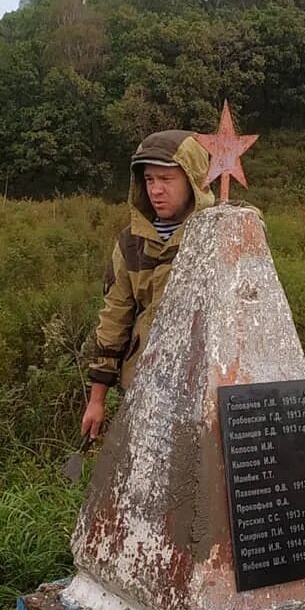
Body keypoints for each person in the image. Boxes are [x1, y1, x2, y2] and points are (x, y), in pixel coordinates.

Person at [80, 129, 214, 439]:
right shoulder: (131, 243)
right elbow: (115, 316)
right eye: (150, 180)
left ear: (192, 178)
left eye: (167, 180)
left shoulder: (219, 233)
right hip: (143, 388)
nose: (156, 190)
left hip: (205, 390)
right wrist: (97, 400)